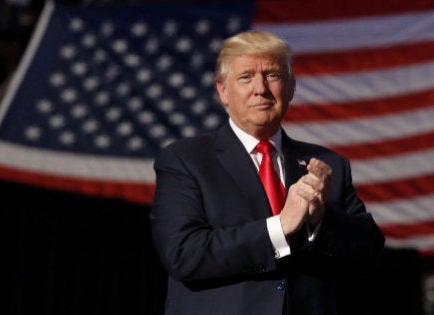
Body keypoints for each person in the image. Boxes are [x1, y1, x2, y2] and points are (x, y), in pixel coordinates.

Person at [149, 30, 385, 315]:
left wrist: (319, 219)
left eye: (272, 75)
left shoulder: (327, 164)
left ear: (291, 87)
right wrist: (279, 227)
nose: (260, 88)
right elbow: (184, 254)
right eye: (246, 77)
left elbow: (370, 252)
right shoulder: (185, 160)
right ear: (223, 90)